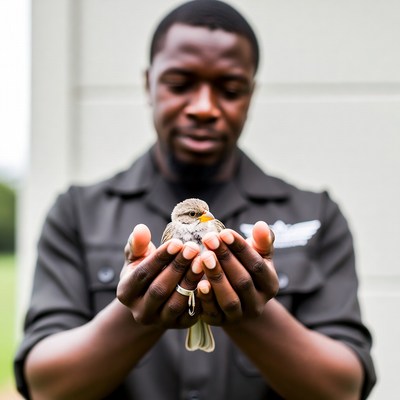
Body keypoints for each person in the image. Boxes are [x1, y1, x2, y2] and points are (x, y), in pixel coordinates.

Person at [14, 1, 376, 399]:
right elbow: (43, 386)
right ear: (148, 84)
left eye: (230, 88)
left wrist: (250, 312)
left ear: (251, 94)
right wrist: (137, 312)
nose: (204, 107)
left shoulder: (314, 215)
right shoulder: (78, 213)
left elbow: (345, 388)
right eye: (180, 83)